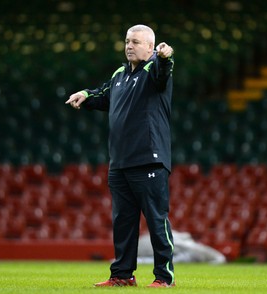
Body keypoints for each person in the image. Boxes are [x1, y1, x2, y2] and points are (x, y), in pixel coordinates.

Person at [66, 24, 175, 288]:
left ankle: (164, 277)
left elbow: (163, 73)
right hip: (120, 162)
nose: (129, 46)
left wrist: (165, 57)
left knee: (156, 220)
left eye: (136, 42)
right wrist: (85, 94)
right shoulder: (119, 74)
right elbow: (104, 95)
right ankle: (123, 275)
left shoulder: (154, 69)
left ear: (150, 47)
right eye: (127, 41)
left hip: (149, 159)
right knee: (123, 222)